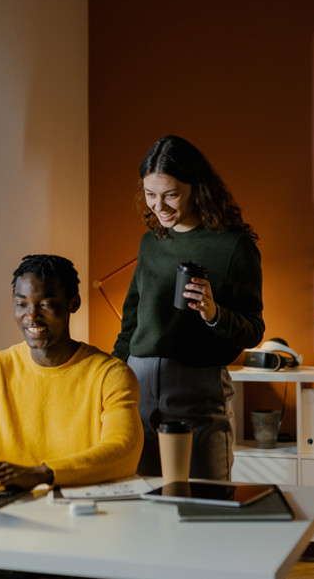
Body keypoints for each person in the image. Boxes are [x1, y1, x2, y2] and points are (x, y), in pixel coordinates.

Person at [0, 254, 143, 579]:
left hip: (87, 526)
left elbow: (124, 450)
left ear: (73, 303)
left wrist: (41, 474)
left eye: (45, 303)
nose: (31, 316)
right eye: (22, 304)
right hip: (13, 523)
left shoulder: (110, 374)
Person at [113, 135, 265, 482]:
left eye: (171, 194)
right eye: (150, 194)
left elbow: (254, 329)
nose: (159, 206)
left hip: (199, 388)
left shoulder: (233, 245)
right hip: (140, 384)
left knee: (207, 499)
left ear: (197, 188)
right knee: (143, 495)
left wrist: (214, 313)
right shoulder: (151, 242)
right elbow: (131, 320)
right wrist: (113, 373)